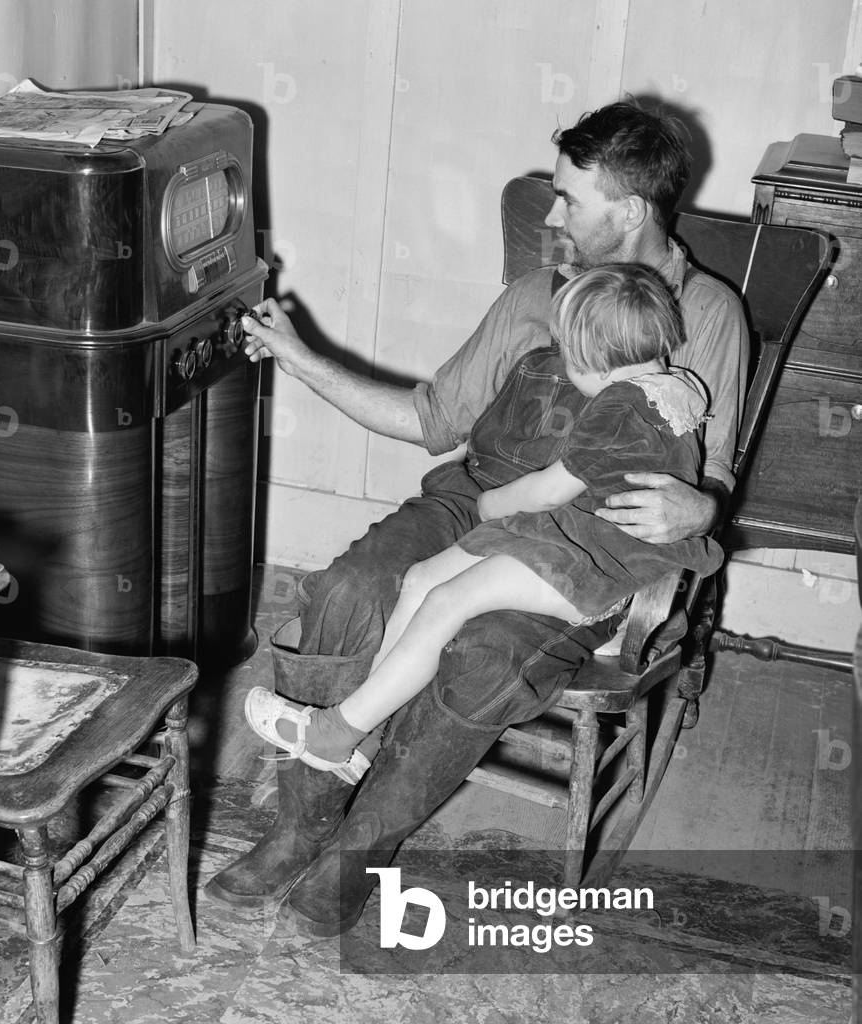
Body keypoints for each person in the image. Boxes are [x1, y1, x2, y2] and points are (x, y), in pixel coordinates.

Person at [205, 99, 749, 939]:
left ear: (632, 210)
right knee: (353, 587)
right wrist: (298, 357)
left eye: (571, 197)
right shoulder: (537, 294)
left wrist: (699, 503)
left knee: (481, 653)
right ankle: (300, 824)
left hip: (581, 540)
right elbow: (431, 417)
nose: (553, 213)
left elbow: (710, 481)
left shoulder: (706, 315)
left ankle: (364, 849)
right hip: (475, 497)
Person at [242, 265, 723, 779]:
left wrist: (492, 504)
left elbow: (549, 490)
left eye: (568, 355)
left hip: (591, 562)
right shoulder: (680, 388)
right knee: (422, 579)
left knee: (448, 601)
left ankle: (335, 734)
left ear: (597, 363)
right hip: (566, 536)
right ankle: (366, 729)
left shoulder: (619, 409)